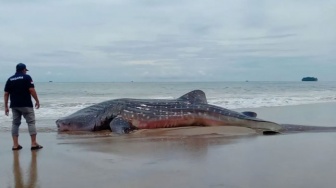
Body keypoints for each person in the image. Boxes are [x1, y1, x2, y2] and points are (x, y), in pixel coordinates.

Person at [4, 63, 43, 151]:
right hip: (26, 104)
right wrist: (37, 101)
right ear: (23, 69)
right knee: (31, 123)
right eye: (25, 70)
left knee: (15, 124)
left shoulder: (10, 79)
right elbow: (31, 90)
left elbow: (6, 93)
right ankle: (33, 143)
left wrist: (6, 106)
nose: (26, 72)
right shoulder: (27, 77)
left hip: (14, 105)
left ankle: (15, 145)